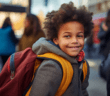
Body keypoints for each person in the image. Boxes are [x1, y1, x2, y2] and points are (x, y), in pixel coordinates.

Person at [29, 2, 94, 96]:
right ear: (56, 39)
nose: (75, 41)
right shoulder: (52, 67)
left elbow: (83, 91)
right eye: (67, 36)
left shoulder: (83, 64)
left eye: (79, 36)